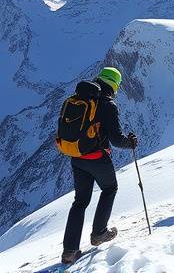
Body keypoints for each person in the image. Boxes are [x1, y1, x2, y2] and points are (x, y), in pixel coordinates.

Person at [61, 67, 138, 265]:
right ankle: (99, 233)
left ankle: (69, 251)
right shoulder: (107, 104)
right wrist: (130, 142)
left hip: (76, 156)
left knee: (80, 202)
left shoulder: (81, 98)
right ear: (115, 85)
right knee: (110, 188)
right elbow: (115, 139)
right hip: (97, 158)